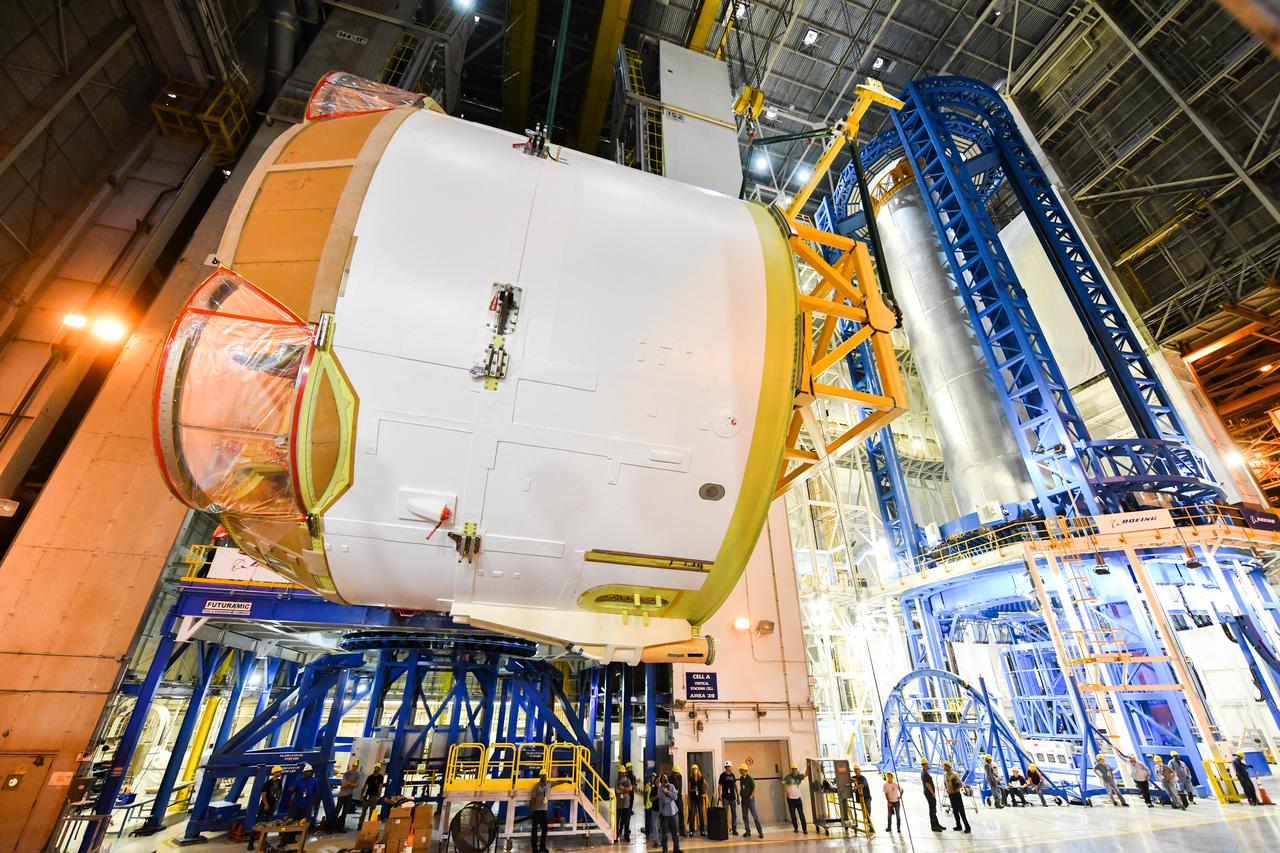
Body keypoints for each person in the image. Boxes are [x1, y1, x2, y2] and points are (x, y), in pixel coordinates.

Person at [657, 773, 682, 853]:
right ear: (661, 780)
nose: (665, 779)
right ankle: (665, 850)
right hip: (664, 815)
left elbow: (676, 797)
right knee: (664, 835)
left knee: (675, 833)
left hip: (673, 813)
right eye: (663, 778)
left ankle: (676, 849)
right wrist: (671, 796)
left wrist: (668, 792)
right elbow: (664, 800)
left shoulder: (671, 786)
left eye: (666, 777)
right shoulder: (659, 789)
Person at [943, 761, 970, 833]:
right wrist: (947, 789)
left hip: (956, 795)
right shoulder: (945, 775)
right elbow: (945, 783)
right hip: (951, 795)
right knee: (955, 811)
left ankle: (967, 827)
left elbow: (961, 784)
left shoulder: (954, 775)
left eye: (945, 766)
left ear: (949, 767)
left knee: (961, 811)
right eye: (944, 766)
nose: (944, 767)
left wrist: (956, 790)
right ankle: (958, 826)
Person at [739, 764, 764, 838]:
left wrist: (751, 796)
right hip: (743, 800)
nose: (740, 770)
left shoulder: (750, 778)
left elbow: (754, 788)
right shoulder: (741, 778)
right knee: (745, 816)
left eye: (741, 769)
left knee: (755, 815)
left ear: (744, 770)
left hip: (750, 800)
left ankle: (760, 832)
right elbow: (742, 787)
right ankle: (747, 831)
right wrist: (740, 793)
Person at [782, 763, 808, 834]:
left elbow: (806, 774)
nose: (794, 770)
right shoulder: (788, 777)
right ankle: (795, 828)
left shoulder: (799, 776)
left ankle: (804, 829)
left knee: (801, 814)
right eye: (793, 769)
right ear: (792, 770)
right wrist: (785, 792)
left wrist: (808, 766)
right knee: (792, 815)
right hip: (790, 799)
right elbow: (783, 783)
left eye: (795, 769)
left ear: (797, 770)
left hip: (798, 799)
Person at [920, 760, 945, 831]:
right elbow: (927, 784)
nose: (928, 765)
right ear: (925, 765)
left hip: (928, 793)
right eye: (927, 764)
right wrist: (932, 793)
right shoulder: (925, 773)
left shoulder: (924, 772)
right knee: (932, 809)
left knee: (933, 809)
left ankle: (937, 824)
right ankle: (934, 826)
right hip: (929, 793)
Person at [717, 761, 739, 836]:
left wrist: (737, 794)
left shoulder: (733, 775)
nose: (731, 767)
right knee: (725, 814)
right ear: (727, 767)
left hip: (732, 797)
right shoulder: (722, 775)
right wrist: (719, 795)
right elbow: (719, 786)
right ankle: (725, 829)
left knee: (734, 814)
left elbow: (735, 785)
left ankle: (734, 829)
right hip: (725, 798)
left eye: (731, 766)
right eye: (730, 766)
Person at [530, 771, 550, 853]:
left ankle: (542, 847)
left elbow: (557, 782)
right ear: (540, 776)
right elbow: (532, 799)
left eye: (545, 775)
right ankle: (534, 848)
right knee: (534, 830)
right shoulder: (536, 786)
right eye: (543, 775)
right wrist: (533, 810)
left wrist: (566, 781)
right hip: (537, 811)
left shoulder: (548, 784)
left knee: (544, 829)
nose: (544, 777)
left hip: (544, 811)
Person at [337, 758, 360, 827]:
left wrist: (348, 784)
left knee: (345, 812)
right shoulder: (347, 774)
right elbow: (343, 786)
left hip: (349, 795)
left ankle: (341, 826)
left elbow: (356, 785)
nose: (354, 767)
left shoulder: (357, 775)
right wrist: (351, 784)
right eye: (354, 766)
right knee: (337, 810)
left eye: (356, 766)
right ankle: (331, 826)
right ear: (352, 765)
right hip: (342, 795)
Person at [852, 765, 874, 833]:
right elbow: (849, 779)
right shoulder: (854, 777)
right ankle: (868, 825)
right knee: (864, 813)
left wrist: (856, 787)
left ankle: (870, 826)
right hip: (860, 798)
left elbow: (863, 785)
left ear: (859, 771)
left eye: (857, 770)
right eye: (855, 770)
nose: (856, 771)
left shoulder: (863, 778)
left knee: (867, 811)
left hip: (866, 797)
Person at [616, 764, 635, 842]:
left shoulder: (628, 780)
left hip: (626, 805)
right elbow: (617, 791)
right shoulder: (616, 781)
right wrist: (625, 790)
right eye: (621, 772)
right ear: (619, 773)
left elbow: (630, 788)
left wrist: (623, 789)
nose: (623, 773)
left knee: (627, 822)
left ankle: (626, 836)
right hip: (619, 806)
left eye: (623, 772)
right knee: (617, 821)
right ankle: (616, 835)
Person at [687, 764, 707, 836]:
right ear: (692, 771)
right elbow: (689, 789)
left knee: (701, 814)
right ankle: (691, 831)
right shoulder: (690, 778)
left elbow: (707, 785)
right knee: (692, 813)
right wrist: (693, 790)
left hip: (700, 798)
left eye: (696, 769)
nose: (695, 770)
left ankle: (702, 831)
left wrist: (705, 793)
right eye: (693, 769)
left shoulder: (701, 778)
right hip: (693, 798)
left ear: (698, 770)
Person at [669, 765, 685, 836]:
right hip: (673, 799)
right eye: (676, 773)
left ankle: (682, 831)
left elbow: (679, 786)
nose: (678, 774)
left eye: (678, 773)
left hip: (679, 797)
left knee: (681, 814)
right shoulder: (670, 779)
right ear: (673, 773)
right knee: (674, 816)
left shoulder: (680, 777)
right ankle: (674, 831)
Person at [645, 772, 660, 838]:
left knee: (656, 821)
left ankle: (656, 834)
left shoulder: (657, 786)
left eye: (654, 777)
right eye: (652, 777)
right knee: (648, 820)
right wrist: (649, 785)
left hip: (655, 805)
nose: (653, 778)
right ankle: (648, 833)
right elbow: (645, 791)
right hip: (649, 804)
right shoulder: (648, 785)